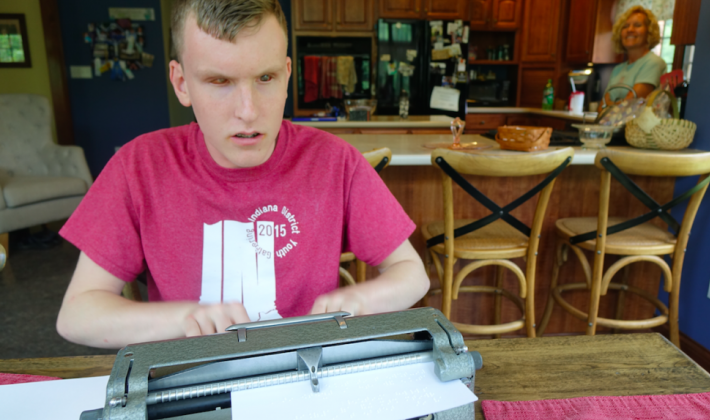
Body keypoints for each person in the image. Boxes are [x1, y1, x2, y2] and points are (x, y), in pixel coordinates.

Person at [56, 0, 430, 349]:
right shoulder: (138, 167)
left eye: (265, 78)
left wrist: (360, 299)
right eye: (219, 82)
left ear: (286, 76)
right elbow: (77, 314)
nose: (248, 112)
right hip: (190, 385)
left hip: (307, 374)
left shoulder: (335, 161)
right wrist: (188, 318)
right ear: (181, 83)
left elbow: (412, 273)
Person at [600, 6, 666, 110]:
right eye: (625, 26)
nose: (630, 30)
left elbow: (630, 106)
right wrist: (619, 104)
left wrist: (611, 104)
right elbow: (600, 108)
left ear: (649, 32)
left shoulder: (653, 63)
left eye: (637, 25)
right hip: (611, 126)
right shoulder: (617, 69)